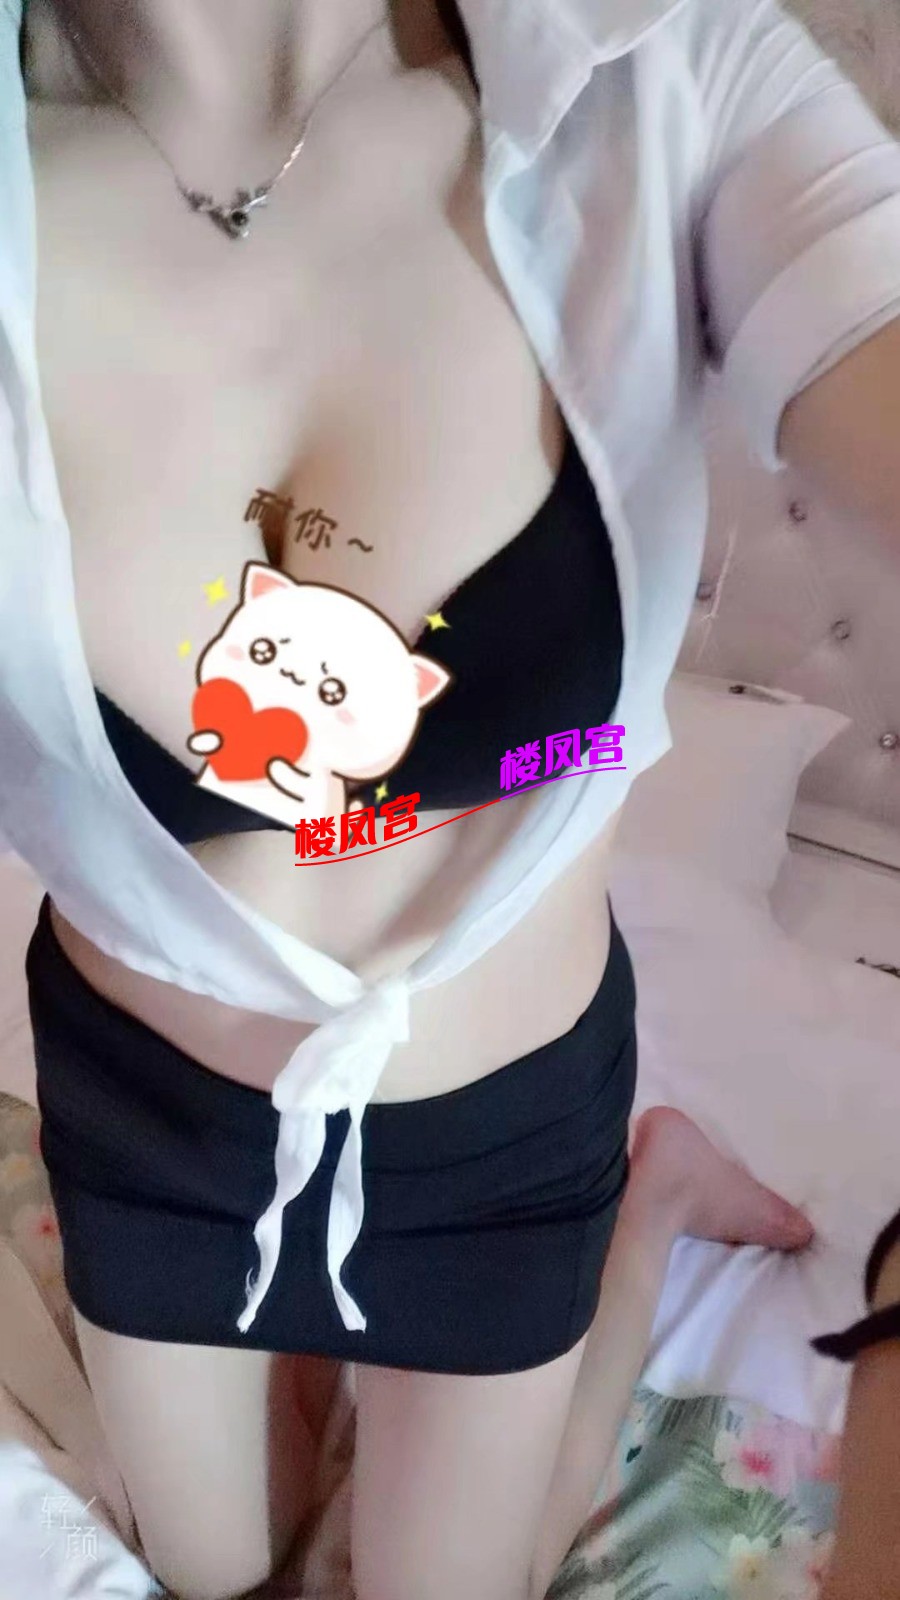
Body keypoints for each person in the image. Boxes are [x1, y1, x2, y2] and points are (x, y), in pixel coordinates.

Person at [2, 1, 900, 1597]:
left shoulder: (658, 73)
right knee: (215, 1576)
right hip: (149, 1120)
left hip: (501, 1137)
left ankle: (651, 1204)